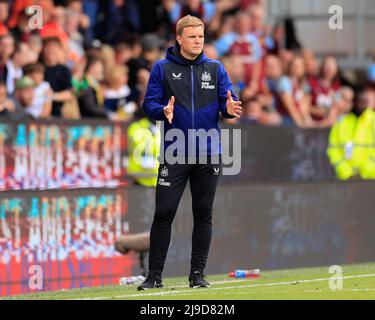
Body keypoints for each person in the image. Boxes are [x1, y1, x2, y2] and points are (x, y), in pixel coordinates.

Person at [137, 15, 242, 290]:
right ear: (180, 38)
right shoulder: (162, 69)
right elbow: (148, 105)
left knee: (203, 211)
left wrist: (228, 111)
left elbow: (227, 102)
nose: (198, 41)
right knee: (164, 211)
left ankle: (197, 275)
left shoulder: (216, 69)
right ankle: (154, 276)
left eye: (201, 37)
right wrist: (163, 111)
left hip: (209, 153)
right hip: (175, 153)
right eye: (193, 37)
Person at [327, 87, 357, 180]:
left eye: (350, 100)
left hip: (350, 174)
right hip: (331, 174)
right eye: (344, 99)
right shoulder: (325, 116)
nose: (347, 103)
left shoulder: (355, 121)